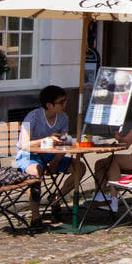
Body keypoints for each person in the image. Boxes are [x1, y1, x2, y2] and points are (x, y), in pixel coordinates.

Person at [14, 85, 85, 228]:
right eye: (61, 102)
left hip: (53, 156)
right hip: (30, 156)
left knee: (80, 167)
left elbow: (64, 143)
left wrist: (56, 160)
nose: (65, 105)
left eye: (65, 101)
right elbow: (24, 145)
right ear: (49, 105)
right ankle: (35, 216)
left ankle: (56, 199)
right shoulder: (33, 117)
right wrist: (46, 140)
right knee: (35, 173)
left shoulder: (63, 118)